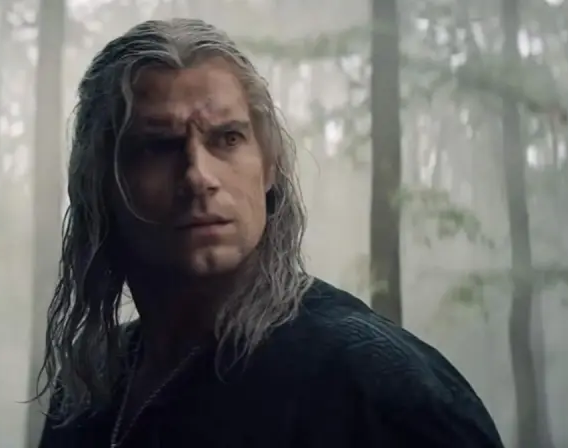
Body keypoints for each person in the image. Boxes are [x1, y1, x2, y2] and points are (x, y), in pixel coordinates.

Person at [37, 18, 504, 448]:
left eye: (227, 138)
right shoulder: (89, 388)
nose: (199, 176)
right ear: (100, 180)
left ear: (269, 166)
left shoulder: (374, 385)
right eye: (159, 145)